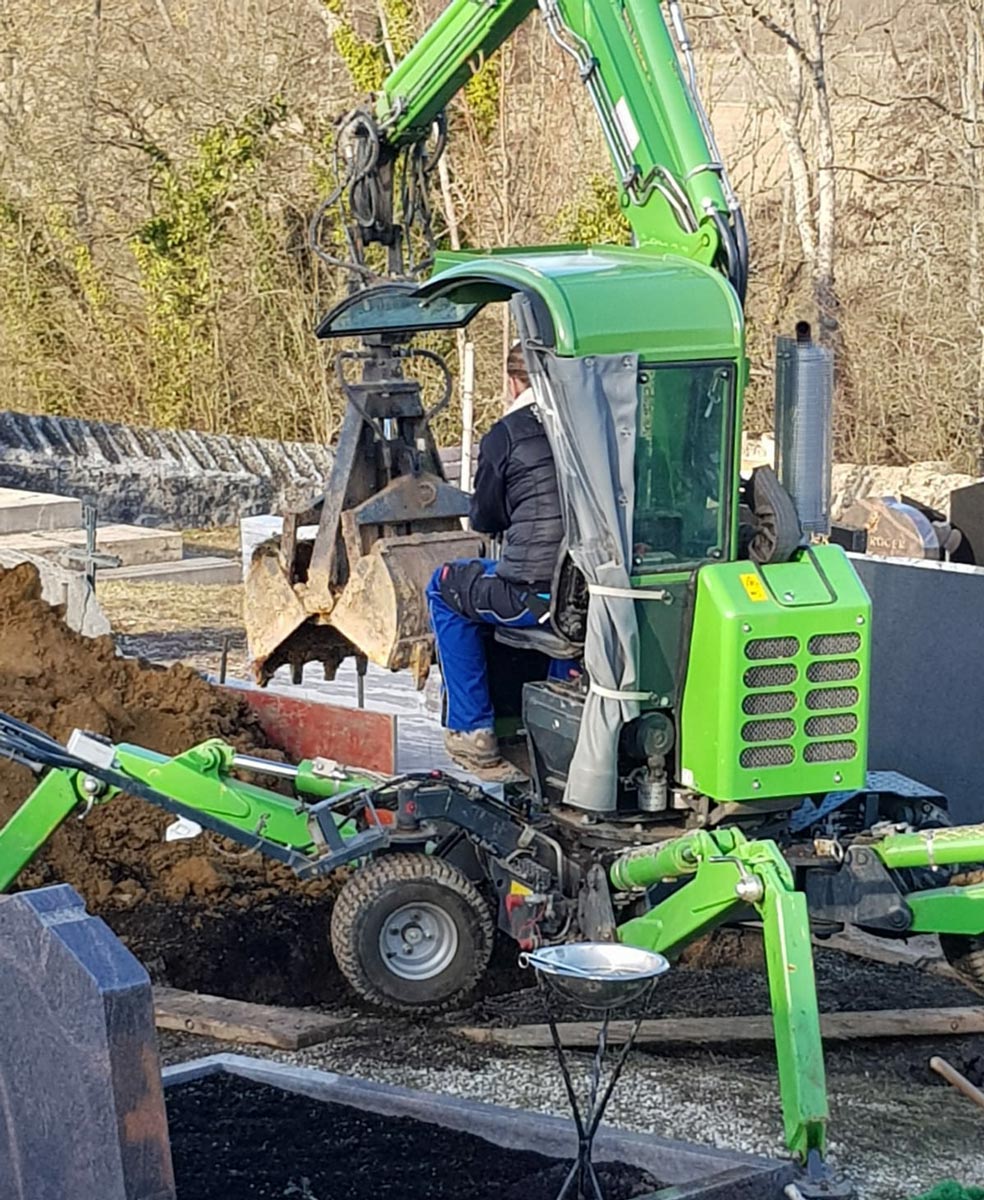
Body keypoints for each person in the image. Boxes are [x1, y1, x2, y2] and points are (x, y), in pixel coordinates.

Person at [426, 342, 574, 771]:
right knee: (575, 612)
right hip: (591, 589)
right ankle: (562, 721)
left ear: (513, 382)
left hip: (535, 595)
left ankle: (472, 729)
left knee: (444, 585)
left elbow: (485, 519)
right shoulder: (596, 426)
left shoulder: (507, 434)